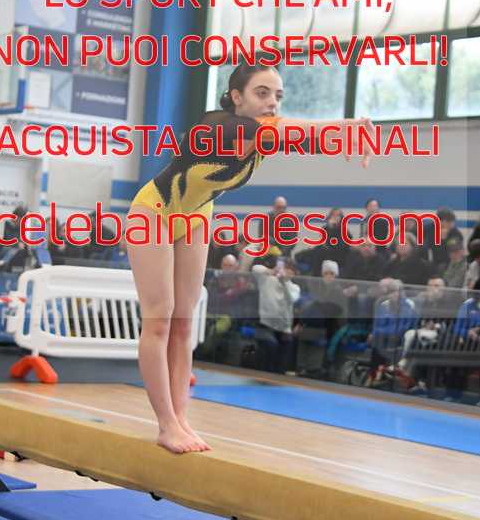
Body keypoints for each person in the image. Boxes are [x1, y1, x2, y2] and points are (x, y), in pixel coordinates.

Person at [126, 62, 374, 453]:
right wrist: (347, 126)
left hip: (195, 215)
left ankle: (182, 419)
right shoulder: (219, 125)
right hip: (154, 212)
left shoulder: (262, 135)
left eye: (278, 95)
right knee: (160, 319)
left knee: (184, 324)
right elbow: (293, 130)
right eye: (262, 93)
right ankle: (166, 424)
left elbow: (304, 138)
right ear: (236, 96)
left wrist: (348, 136)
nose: (272, 102)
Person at [251, 256, 301, 374]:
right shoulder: (266, 279)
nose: (287, 271)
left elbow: (291, 299)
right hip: (265, 325)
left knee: (281, 362)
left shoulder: (294, 287)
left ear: (294, 273)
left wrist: (284, 283)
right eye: (286, 268)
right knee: (270, 348)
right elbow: (255, 269)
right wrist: (270, 271)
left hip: (284, 329)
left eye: (290, 270)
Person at [444, 276, 480, 404]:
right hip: (468, 343)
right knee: (454, 357)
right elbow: (457, 327)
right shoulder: (468, 305)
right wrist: (468, 332)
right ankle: (453, 395)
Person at [424, 207, 463, 274]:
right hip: (429, 260)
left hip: (448, 261)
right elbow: (424, 247)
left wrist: (443, 240)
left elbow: (454, 251)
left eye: (451, 221)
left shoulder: (455, 233)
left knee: (442, 266)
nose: (451, 224)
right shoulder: (428, 229)